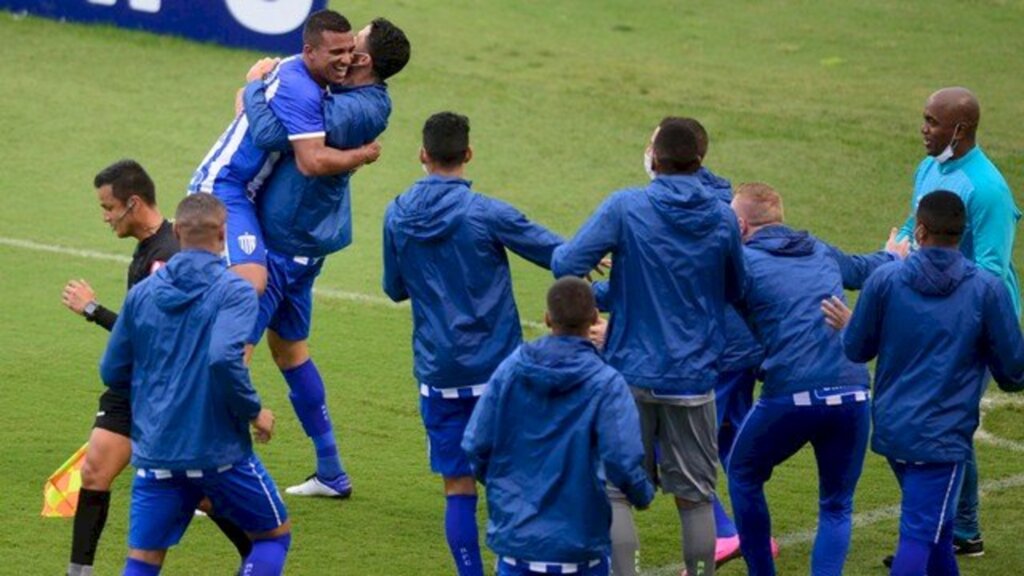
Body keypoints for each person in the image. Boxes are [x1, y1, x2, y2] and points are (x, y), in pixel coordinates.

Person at [552, 117, 746, 576]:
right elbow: (737, 287)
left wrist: (614, 270)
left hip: (629, 373)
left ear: (654, 159)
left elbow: (565, 262)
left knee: (617, 490)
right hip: (693, 376)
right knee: (696, 497)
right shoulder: (722, 216)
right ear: (699, 162)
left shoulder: (626, 207)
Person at [230, 17, 410, 498]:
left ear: (363, 58)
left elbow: (285, 140)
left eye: (355, 42)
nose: (347, 48)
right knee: (290, 352)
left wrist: (251, 91)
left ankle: (220, 485)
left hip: (286, 244)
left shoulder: (358, 108)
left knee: (232, 356)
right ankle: (331, 471)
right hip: (305, 240)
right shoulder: (357, 99)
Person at [382, 111, 564, 576]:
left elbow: (394, 288)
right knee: (514, 479)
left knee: (458, 486)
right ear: (468, 154)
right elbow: (556, 253)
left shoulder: (397, 213)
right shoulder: (487, 212)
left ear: (422, 155)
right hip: (499, 372)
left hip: (438, 372)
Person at [60, 160, 250, 576]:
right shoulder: (149, 248)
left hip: (162, 389)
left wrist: (92, 310)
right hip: (133, 384)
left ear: (132, 203)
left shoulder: (168, 255)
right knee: (94, 471)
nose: (105, 217)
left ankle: (258, 550)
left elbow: (154, 334)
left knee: (198, 493)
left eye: (109, 208)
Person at [824, 191, 1024, 576]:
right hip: (942, 439)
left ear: (919, 230)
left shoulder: (884, 279)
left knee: (939, 531)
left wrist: (857, 325)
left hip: (893, 432)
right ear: (962, 232)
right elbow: (1013, 372)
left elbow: (855, 349)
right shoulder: (986, 289)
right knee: (919, 537)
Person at [99, 194, 291, 576]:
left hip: (157, 453)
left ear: (175, 230)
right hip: (218, 452)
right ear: (223, 234)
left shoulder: (142, 295)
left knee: (143, 560)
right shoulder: (234, 291)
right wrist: (255, 412)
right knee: (272, 537)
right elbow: (223, 359)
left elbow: (112, 370)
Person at [726, 182, 902, 576]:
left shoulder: (742, 264)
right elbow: (865, 268)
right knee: (837, 505)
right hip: (854, 391)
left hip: (791, 394)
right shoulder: (818, 249)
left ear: (739, 225)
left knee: (742, 473)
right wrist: (894, 254)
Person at [890, 86, 1021, 562]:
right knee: (931, 425)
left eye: (931, 121)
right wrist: (896, 251)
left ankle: (957, 530)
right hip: (931, 314)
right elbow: (913, 225)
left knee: (949, 428)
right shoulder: (930, 167)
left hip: (974, 323)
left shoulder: (987, 190)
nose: (923, 129)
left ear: (960, 129)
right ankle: (945, 531)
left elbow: (990, 269)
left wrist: (944, 310)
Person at [461, 277, 655, 576]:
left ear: (548, 318)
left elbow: (475, 444)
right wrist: (642, 494)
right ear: (593, 318)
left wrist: (506, 489)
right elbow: (622, 458)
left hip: (518, 545)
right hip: (580, 547)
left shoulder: (511, 368)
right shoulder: (607, 382)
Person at [187, 9, 380, 295]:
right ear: (310, 52)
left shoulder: (316, 80)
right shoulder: (300, 86)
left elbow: (245, 104)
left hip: (247, 193)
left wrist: (252, 89)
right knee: (250, 286)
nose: (346, 60)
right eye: (336, 51)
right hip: (224, 187)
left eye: (350, 50)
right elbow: (305, 156)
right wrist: (362, 154)